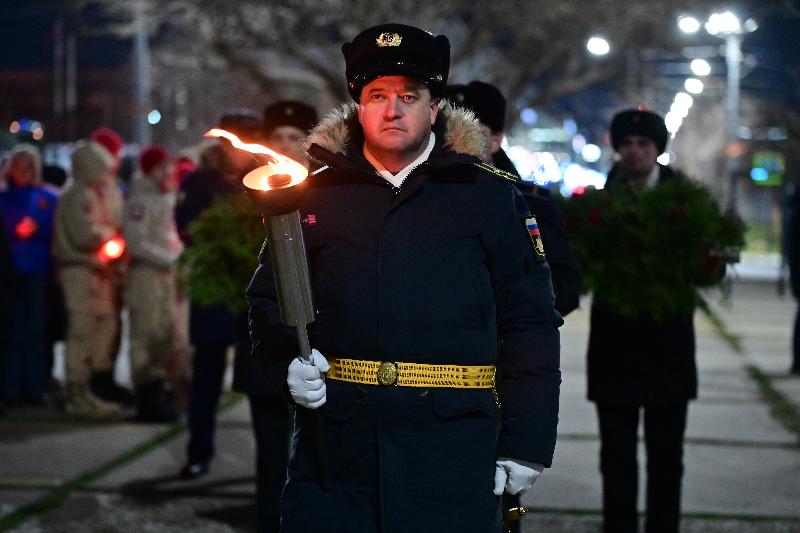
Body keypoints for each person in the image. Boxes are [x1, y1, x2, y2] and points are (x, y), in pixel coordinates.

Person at [246, 23, 562, 532]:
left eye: (408, 96)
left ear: (434, 107)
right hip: (337, 454)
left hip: (450, 453)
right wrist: (285, 361)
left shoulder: (487, 198)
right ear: (359, 107)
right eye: (377, 95)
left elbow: (530, 324)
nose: (392, 110)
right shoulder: (313, 199)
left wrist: (526, 443)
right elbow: (267, 303)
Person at [587, 109, 696, 533]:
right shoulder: (601, 200)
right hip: (615, 348)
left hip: (668, 349)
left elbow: (703, 261)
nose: (633, 153)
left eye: (643, 145)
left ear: (657, 149)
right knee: (615, 454)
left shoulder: (684, 203)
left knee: (667, 455)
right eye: (626, 144)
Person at [230, 100, 318, 533]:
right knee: (270, 447)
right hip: (266, 345)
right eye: (277, 138)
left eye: (294, 138)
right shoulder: (246, 194)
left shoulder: (329, 195)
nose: (285, 145)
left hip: (320, 350)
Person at [176, 109, 264, 478]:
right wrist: (217, 239)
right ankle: (199, 452)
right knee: (207, 377)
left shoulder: (265, 176)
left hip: (254, 290)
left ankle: (269, 462)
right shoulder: (200, 182)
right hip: (214, 288)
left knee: (262, 382)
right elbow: (185, 226)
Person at [446, 81, 582, 318]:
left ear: (496, 140)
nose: (457, 143)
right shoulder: (426, 197)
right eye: (448, 132)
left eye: (471, 132)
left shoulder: (531, 203)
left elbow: (565, 287)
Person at [52, 140, 127, 419]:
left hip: (96, 271)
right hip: (79, 271)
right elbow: (85, 234)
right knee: (81, 331)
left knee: (98, 329)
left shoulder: (92, 192)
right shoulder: (77, 195)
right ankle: (76, 393)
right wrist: (110, 235)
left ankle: (89, 391)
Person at [123, 145, 184, 422]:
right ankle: (147, 400)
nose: (168, 171)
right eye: (162, 167)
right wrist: (169, 260)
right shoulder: (140, 200)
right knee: (146, 335)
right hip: (147, 276)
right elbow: (136, 242)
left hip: (165, 276)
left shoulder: (166, 196)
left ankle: (160, 393)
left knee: (164, 334)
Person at [0, 144, 58, 406]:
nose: (23, 171)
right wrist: (15, 230)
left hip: (37, 269)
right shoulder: (3, 197)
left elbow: (57, 231)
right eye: (18, 165)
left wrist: (38, 230)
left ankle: (34, 388)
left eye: (28, 165)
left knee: (35, 330)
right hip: (8, 272)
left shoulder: (47, 197)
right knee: (11, 331)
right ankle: (11, 388)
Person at [87, 127, 133, 406]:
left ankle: (107, 377)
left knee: (113, 328)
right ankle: (96, 382)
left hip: (113, 266)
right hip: (98, 267)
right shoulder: (92, 188)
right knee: (97, 329)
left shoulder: (113, 185)